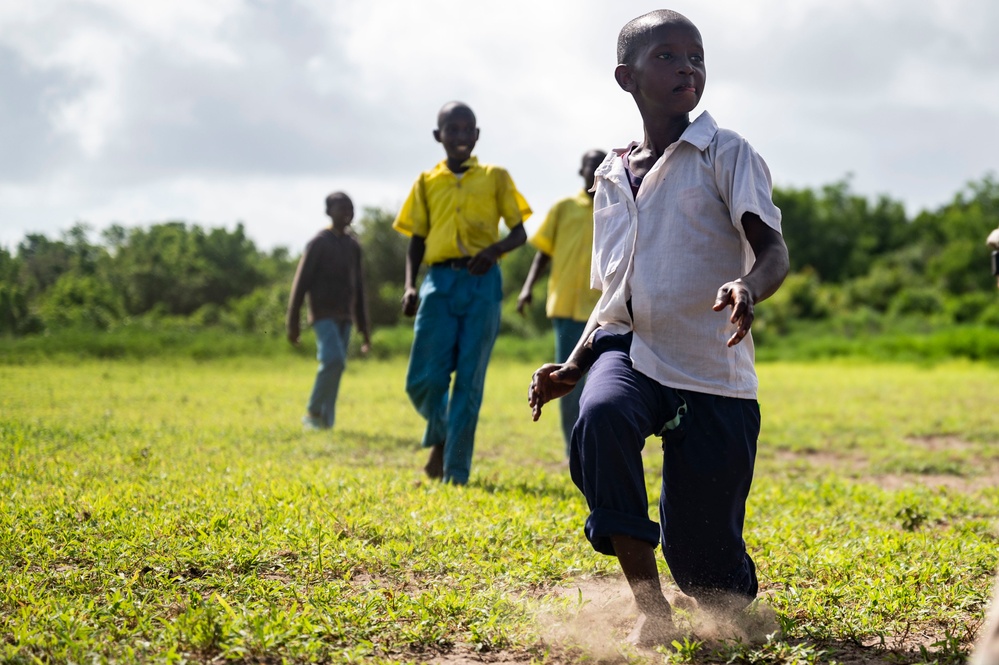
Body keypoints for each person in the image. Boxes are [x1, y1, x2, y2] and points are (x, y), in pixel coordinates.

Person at [528, 10, 789, 646]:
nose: (687, 68)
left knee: (709, 572)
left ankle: (709, 587)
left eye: (695, 56)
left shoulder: (727, 152)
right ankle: (649, 606)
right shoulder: (610, 177)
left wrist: (746, 287)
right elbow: (613, 291)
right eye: (667, 56)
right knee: (602, 416)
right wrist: (577, 360)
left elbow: (773, 252)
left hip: (711, 369)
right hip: (633, 350)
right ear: (627, 77)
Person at [394, 101, 531, 485]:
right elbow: (416, 240)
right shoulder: (426, 182)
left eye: (465, 129)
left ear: (476, 136)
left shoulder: (495, 176)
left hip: (482, 285)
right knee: (423, 379)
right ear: (438, 136)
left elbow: (519, 232)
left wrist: (493, 251)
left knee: (469, 381)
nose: (458, 137)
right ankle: (440, 434)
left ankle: (455, 470)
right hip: (438, 283)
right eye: (450, 130)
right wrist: (409, 284)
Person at [517, 149, 607, 456]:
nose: (594, 171)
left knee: (601, 384)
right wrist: (527, 288)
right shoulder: (563, 208)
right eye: (589, 166)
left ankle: (596, 444)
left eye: (600, 166)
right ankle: (575, 451)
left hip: (603, 312)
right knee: (566, 382)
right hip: (567, 310)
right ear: (581, 171)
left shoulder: (615, 205)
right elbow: (543, 252)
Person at [287, 191, 371, 430]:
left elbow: (360, 288)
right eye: (341, 208)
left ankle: (326, 422)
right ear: (328, 212)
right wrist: (292, 323)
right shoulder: (319, 243)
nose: (347, 213)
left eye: (350, 208)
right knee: (333, 360)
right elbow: (300, 283)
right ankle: (313, 412)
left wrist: (365, 329)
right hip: (322, 314)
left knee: (338, 365)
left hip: (346, 316)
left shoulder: (353, 245)